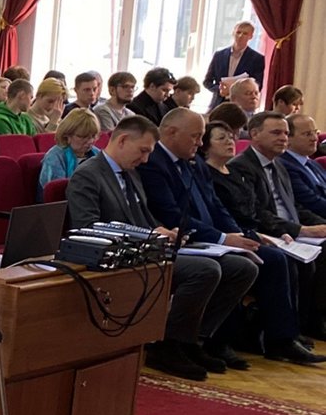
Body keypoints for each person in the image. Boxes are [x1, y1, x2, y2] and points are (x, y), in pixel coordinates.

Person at [66, 115, 258, 381]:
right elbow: (88, 227)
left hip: (150, 248)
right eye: (143, 151)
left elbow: (144, 214)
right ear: (122, 140)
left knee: (242, 267)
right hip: (122, 254)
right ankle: (167, 344)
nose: (145, 159)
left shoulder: (130, 172)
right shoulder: (88, 175)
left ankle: (195, 338)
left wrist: (164, 231)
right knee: (205, 270)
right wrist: (148, 234)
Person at [139, 108, 318, 366]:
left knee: (263, 257)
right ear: (170, 132)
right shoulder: (153, 163)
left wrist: (241, 234)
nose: (200, 143)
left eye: (202, 137)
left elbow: (216, 206)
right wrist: (224, 239)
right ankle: (198, 340)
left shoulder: (192, 161)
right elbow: (171, 214)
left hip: (211, 237)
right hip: (185, 238)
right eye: (196, 136)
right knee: (245, 263)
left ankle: (258, 338)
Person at [233, 111, 326, 242]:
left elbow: (293, 206)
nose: (283, 138)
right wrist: (301, 230)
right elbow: (255, 212)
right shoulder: (240, 166)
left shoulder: (278, 164)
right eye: (276, 133)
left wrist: (319, 225)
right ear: (254, 134)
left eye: (286, 133)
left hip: (291, 229)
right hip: (269, 232)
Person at [37, 108, 101, 198]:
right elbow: (57, 192)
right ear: (67, 135)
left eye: (93, 136)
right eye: (83, 137)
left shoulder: (97, 153)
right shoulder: (55, 157)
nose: (90, 141)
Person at [204, 21, 265, 101]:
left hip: (242, 104)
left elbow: (258, 85)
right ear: (233, 33)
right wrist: (220, 90)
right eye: (238, 32)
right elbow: (207, 82)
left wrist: (237, 91)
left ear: (251, 36)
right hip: (218, 103)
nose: (240, 36)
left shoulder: (257, 59)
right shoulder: (219, 55)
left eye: (245, 33)